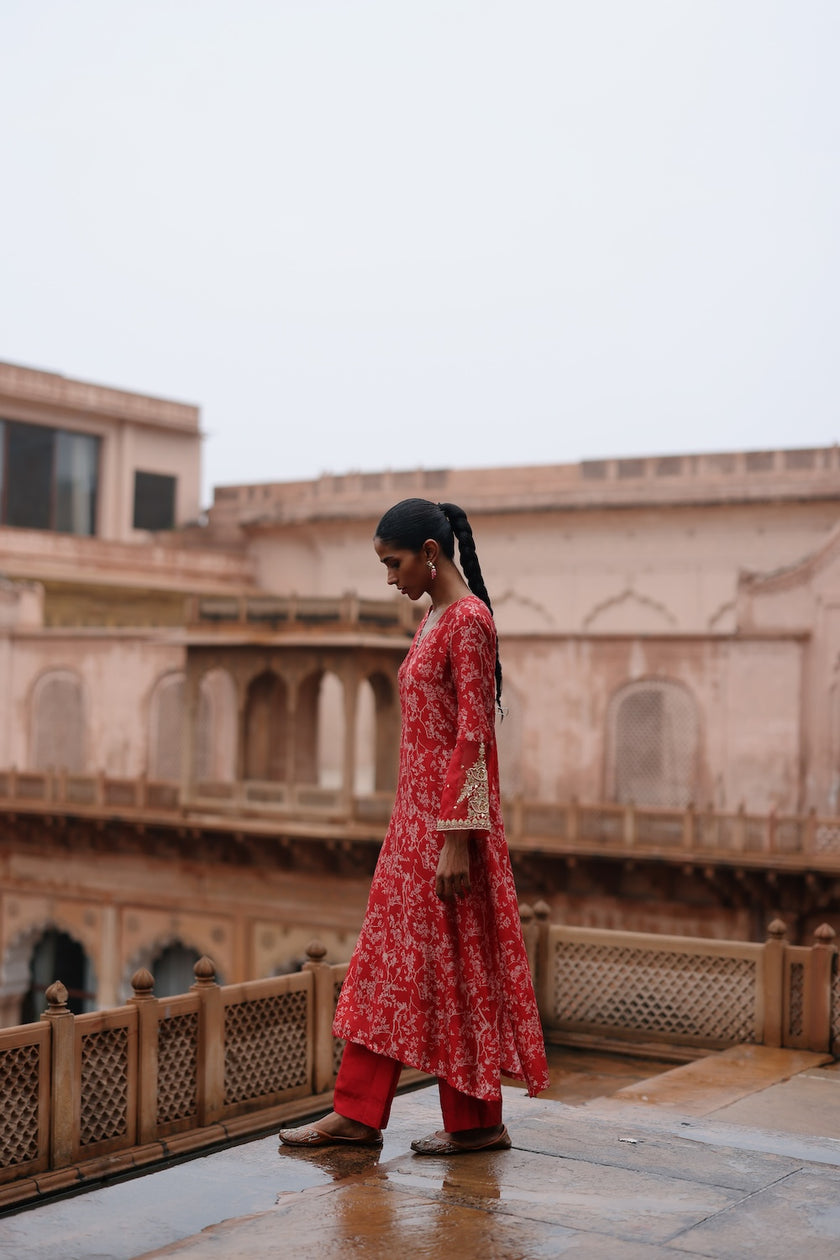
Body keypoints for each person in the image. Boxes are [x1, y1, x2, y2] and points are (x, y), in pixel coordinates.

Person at [279, 498, 548, 1155]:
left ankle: (470, 1121)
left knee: (452, 968)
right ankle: (368, 1114)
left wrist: (457, 837)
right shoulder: (434, 619)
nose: (389, 576)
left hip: (449, 829)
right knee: (389, 966)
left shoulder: (469, 622)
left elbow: (474, 736)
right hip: (416, 824)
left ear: (431, 554)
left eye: (393, 562)